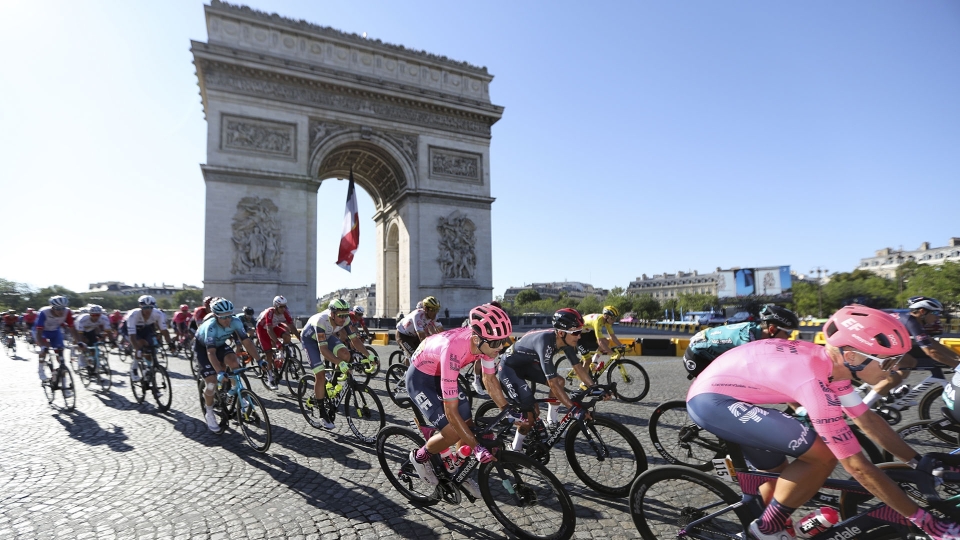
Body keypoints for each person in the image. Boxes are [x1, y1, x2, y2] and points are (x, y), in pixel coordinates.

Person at [686, 305, 959, 540]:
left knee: (780, 472)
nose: (895, 370)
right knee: (823, 456)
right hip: (712, 401)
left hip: (735, 390)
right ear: (853, 357)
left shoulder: (835, 368)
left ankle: (775, 520)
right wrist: (927, 522)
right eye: (887, 363)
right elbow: (858, 468)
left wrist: (916, 461)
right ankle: (765, 530)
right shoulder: (814, 382)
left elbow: (867, 419)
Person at [406, 303, 512, 498]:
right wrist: (476, 447)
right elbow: (451, 412)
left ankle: (456, 469)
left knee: (468, 426)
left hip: (440, 371)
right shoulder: (454, 349)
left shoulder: (486, 344)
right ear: (476, 338)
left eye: (504, 340)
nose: (501, 346)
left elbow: (489, 379)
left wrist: (507, 408)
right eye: (497, 342)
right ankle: (420, 457)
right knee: (453, 432)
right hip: (421, 378)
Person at [495, 308, 597, 451]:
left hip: (527, 364)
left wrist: (595, 387)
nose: (579, 336)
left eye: (580, 331)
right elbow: (552, 384)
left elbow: (578, 368)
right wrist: (573, 409)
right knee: (531, 414)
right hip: (510, 368)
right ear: (561, 333)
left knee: (561, 381)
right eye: (576, 332)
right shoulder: (545, 342)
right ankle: (515, 449)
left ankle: (551, 421)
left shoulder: (565, 341)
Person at [863, 296, 960, 407]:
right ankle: (862, 408)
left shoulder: (914, 320)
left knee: (909, 362)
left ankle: (894, 394)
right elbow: (931, 352)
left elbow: (932, 342)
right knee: (893, 378)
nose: (937, 317)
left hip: (879, 338)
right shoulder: (911, 322)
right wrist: (957, 366)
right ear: (922, 311)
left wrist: (957, 357)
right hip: (869, 339)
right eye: (936, 313)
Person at [300, 299, 377, 428]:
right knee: (320, 374)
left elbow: (355, 340)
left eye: (346, 315)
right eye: (340, 316)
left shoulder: (345, 319)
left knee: (346, 354)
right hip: (310, 340)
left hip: (326, 336)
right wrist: (339, 363)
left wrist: (369, 355)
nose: (343, 319)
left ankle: (333, 383)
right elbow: (323, 350)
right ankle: (322, 414)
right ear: (332, 314)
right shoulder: (321, 320)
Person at [195, 298, 262, 432]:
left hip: (220, 345)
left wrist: (260, 360)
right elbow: (211, 353)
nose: (227, 320)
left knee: (233, 361)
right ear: (215, 316)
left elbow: (247, 342)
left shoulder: (235, 321)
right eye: (223, 317)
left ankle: (235, 391)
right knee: (212, 382)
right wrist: (219, 371)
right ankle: (209, 412)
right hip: (204, 349)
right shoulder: (211, 327)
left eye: (229, 316)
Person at [683, 305, 800, 379]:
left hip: (712, 354)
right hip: (697, 357)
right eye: (788, 333)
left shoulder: (757, 332)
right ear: (772, 329)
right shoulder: (746, 341)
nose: (790, 338)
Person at [256, 295, 301, 389]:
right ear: (276, 306)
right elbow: (269, 330)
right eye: (281, 307)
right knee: (269, 354)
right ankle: (270, 379)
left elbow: (292, 326)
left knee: (287, 336)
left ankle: (280, 354)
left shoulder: (285, 312)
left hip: (273, 327)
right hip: (263, 329)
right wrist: (276, 342)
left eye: (285, 306)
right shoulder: (270, 312)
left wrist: (301, 339)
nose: (283, 308)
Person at [125, 295, 174, 381]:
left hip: (146, 327)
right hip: (133, 329)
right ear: (140, 307)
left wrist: (170, 343)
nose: (148, 310)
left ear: (153, 307)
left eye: (150, 307)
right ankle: (134, 368)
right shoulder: (133, 315)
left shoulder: (158, 314)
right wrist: (138, 349)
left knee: (149, 350)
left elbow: (164, 331)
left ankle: (148, 369)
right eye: (145, 307)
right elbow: (132, 336)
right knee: (141, 344)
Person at [35, 296, 79, 382]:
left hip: (55, 331)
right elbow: (39, 332)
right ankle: (40, 370)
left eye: (63, 308)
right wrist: (42, 346)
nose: (61, 311)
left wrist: (79, 341)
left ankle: (63, 379)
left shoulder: (68, 312)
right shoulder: (44, 313)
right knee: (44, 350)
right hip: (42, 332)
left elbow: (72, 328)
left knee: (60, 353)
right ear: (52, 308)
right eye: (58, 309)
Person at [577, 305, 625, 373]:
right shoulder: (598, 321)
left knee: (606, 341)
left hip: (587, 331)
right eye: (613, 318)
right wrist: (612, 353)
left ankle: (594, 361)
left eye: (615, 318)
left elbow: (612, 337)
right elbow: (600, 342)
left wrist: (622, 346)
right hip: (578, 334)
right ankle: (584, 382)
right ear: (606, 316)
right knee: (587, 360)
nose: (614, 320)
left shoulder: (607, 321)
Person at [395, 296, 443, 362]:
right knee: (415, 357)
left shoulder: (434, 316)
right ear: (426, 309)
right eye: (432, 310)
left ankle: (407, 365)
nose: (435, 313)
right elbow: (422, 337)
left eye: (436, 310)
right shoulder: (418, 316)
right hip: (403, 335)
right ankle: (407, 372)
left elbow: (442, 332)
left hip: (413, 336)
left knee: (420, 355)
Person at [73, 305, 113, 375]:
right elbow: (80, 334)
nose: (96, 317)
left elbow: (108, 331)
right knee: (84, 345)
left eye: (98, 315)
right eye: (93, 315)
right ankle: (83, 362)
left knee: (94, 347)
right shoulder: (83, 319)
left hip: (90, 330)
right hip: (79, 331)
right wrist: (80, 343)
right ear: (90, 314)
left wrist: (113, 341)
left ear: (101, 314)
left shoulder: (104, 318)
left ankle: (92, 362)